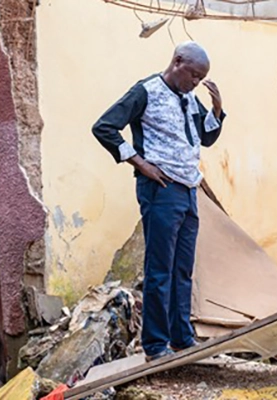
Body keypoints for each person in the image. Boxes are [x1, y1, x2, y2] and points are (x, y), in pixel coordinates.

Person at [91, 41, 226, 361]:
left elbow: (206, 137)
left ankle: (182, 338)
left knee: (183, 270)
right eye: (193, 75)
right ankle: (155, 345)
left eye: (201, 77)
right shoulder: (146, 92)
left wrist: (217, 109)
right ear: (177, 62)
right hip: (161, 190)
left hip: (189, 189)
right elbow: (104, 127)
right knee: (160, 269)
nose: (196, 82)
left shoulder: (189, 97)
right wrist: (140, 163)